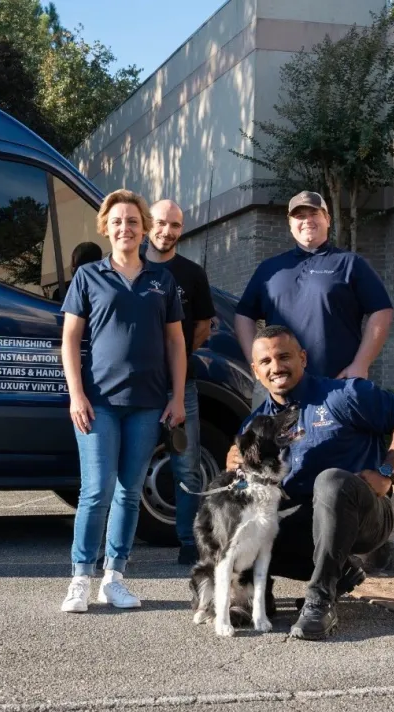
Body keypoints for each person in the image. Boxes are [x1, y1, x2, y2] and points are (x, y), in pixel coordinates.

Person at [227, 325, 394, 640]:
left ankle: (321, 599)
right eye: (265, 362)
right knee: (232, 510)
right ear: (256, 371)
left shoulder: (344, 394)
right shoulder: (256, 424)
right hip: (305, 524)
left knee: (330, 481)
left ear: (303, 358)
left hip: (363, 514)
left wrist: (387, 472)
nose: (276, 367)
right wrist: (234, 466)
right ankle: (256, 590)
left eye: (284, 357)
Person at [59, 189, 187, 612]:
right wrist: (76, 395)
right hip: (98, 402)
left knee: (130, 492)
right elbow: (70, 339)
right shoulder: (88, 276)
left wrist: (178, 397)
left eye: (133, 221)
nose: (125, 228)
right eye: (117, 221)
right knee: (96, 490)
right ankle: (80, 577)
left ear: (143, 228)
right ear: (106, 227)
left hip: (148, 403)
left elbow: (176, 343)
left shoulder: (161, 281)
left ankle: (114, 577)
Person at [234, 191, 393, 388]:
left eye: (314, 214)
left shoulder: (350, 263)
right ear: (290, 223)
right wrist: (257, 364)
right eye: (300, 216)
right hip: (279, 386)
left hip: (337, 384)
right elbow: (243, 316)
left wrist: (361, 364)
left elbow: (382, 311)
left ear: (327, 219)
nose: (307, 220)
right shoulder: (270, 269)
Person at [144, 199, 216, 566]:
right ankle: (113, 548)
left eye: (174, 225)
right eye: (160, 223)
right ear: (147, 224)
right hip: (136, 388)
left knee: (186, 465)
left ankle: (190, 541)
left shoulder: (191, 273)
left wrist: (179, 359)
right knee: (128, 465)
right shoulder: (131, 267)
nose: (166, 231)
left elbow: (202, 326)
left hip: (180, 387)